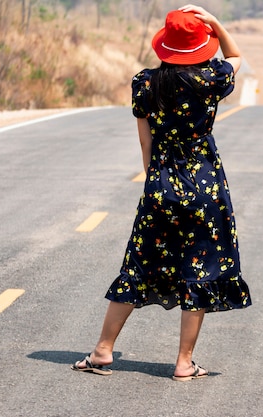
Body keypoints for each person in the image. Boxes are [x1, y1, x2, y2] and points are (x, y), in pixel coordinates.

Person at [71, 4, 251, 381]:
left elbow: (145, 141)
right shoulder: (211, 78)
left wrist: (153, 180)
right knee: (199, 270)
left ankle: (103, 350)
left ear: (165, 46)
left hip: (162, 184)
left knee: (138, 265)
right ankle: (184, 362)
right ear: (201, 46)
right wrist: (215, 23)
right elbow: (236, 56)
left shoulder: (144, 83)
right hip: (205, 186)